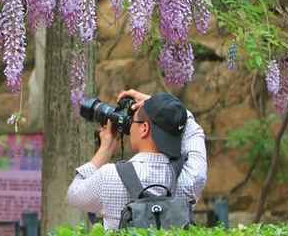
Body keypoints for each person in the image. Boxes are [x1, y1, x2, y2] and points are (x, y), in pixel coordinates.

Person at [67, 89, 207, 229]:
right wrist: (163, 107)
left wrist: (105, 148)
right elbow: (194, 132)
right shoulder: (189, 178)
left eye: (132, 120)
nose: (130, 125)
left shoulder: (109, 176)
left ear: (144, 129)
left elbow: (74, 195)